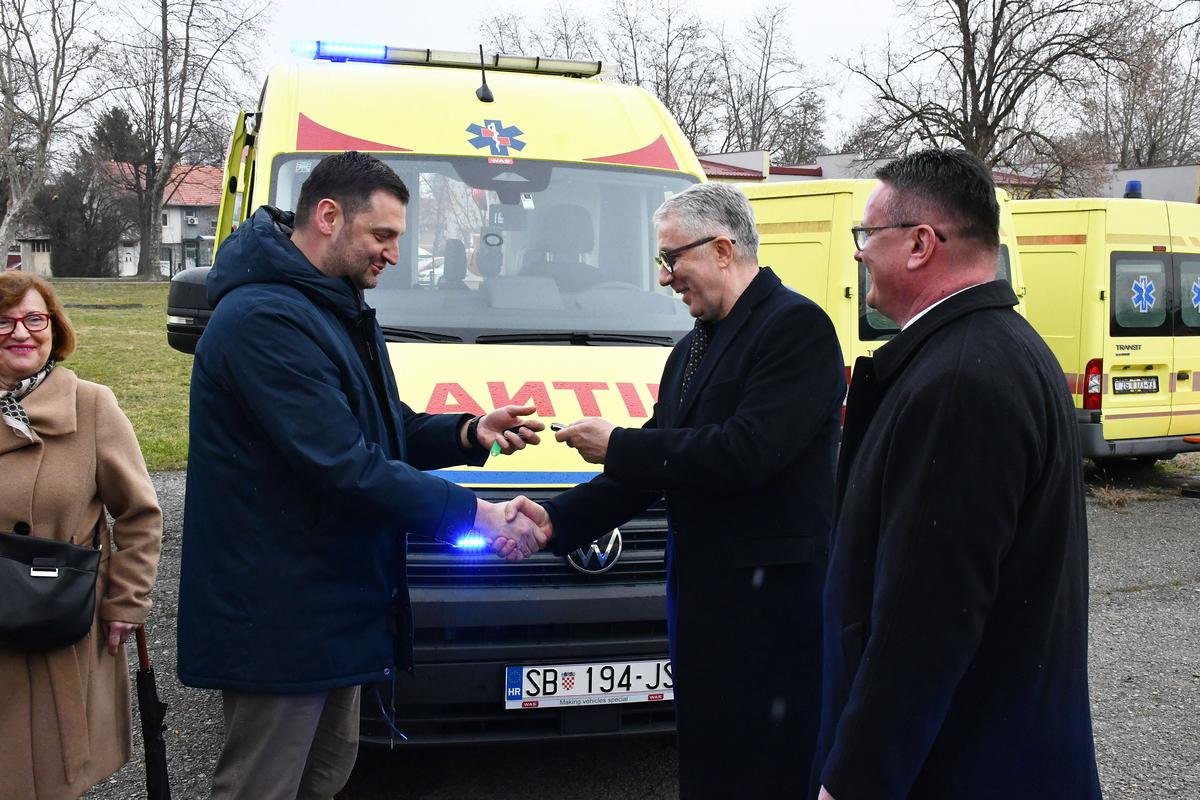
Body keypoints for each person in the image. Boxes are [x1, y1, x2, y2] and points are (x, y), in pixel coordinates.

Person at [176, 151, 545, 800]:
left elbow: (381, 426)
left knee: (322, 780)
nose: (393, 254)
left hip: (334, 608)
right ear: (327, 217)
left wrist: (468, 432)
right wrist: (475, 515)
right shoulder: (264, 320)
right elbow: (342, 463)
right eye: (383, 235)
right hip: (280, 619)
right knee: (263, 788)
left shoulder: (331, 306)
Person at [505, 182, 846, 798]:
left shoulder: (798, 328)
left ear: (722, 249)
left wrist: (622, 444)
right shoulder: (690, 347)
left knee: (770, 774)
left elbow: (747, 453)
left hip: (774, 619)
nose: (664, 278)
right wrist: (556, 522)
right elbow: (654, 467)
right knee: (711, 771)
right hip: (703, 609)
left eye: (671, 259)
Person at [814, 150, 1101, 799]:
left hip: (964, 769)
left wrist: (855, 780)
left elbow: (926, 621)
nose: (858, 255)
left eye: (868, 237)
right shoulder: (1005, 348)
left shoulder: (960, 382)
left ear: (920, 244)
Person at [0, 273, 162, 799]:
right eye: (2, 321)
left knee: (50, 774)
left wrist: (126, 602)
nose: (20, 333)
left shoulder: (91, 406)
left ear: (54, 328)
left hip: (62, 623)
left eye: (33, 319)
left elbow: (138, 515)